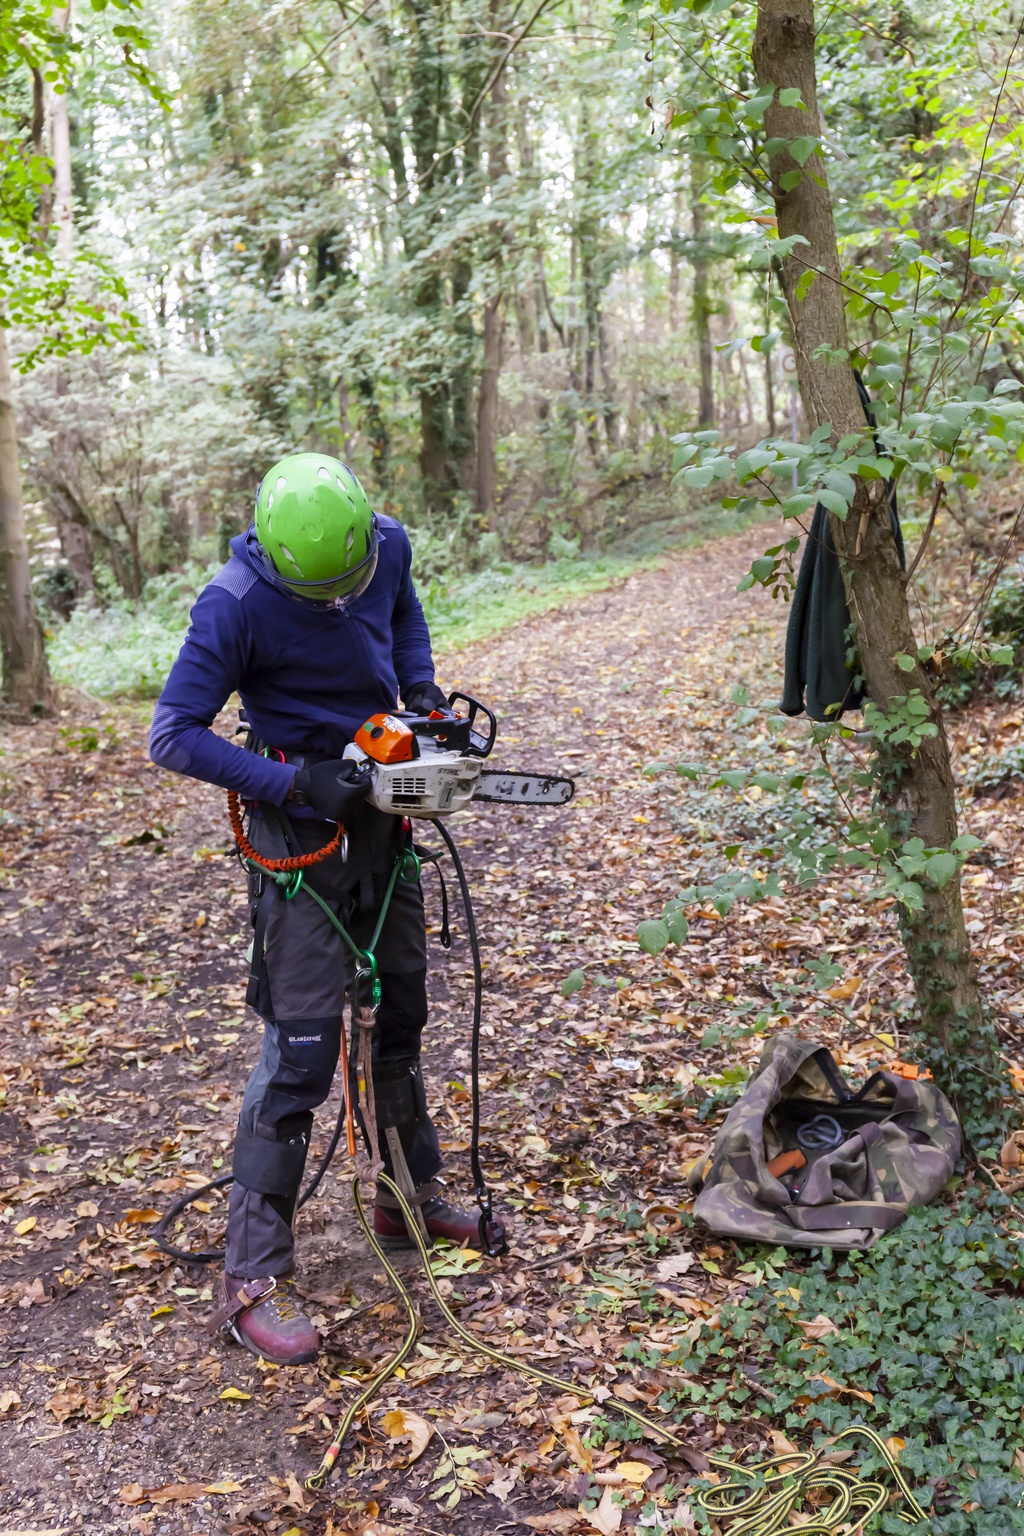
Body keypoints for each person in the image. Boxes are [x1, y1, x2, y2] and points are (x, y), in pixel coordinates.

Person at [149, 452, 502, 1367]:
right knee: (302, 1043)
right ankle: (251, 1275)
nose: (346, 599)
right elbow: (173, 735)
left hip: (384, 804)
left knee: (402, 1010)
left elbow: (403, 617)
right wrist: (295, 781)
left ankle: (404, 1193)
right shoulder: (231, 603)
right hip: (296, 831)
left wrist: (419, 694)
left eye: (354, 582)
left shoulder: (384, 546)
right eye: (326, 594)